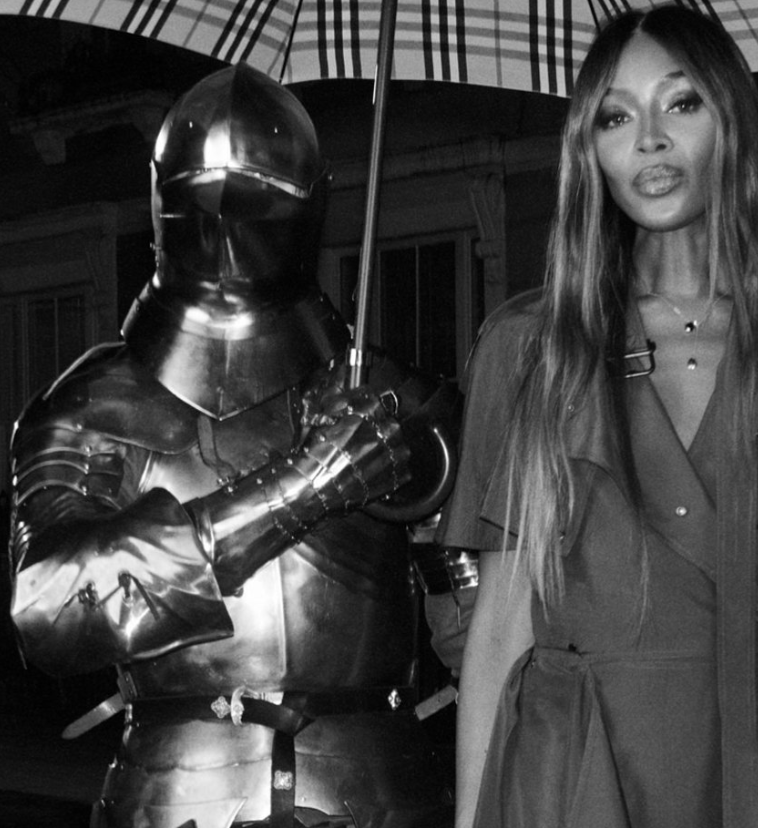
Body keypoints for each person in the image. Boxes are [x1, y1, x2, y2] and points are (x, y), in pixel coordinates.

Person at [438, 6, 758, 828]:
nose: (648, 139)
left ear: (730, 123)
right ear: (588, 152)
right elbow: (499, 625)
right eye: (613, 117)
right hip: (566, 780)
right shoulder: (527, 348)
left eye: (680, 103)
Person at [9, 64, 456, 828]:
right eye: (203, 195)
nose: (224, 221)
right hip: (177, 788)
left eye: (256, 196)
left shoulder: (387, 399)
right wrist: (303, 486)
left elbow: (480, 612)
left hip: (377, 788)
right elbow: (50, 612)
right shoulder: (94, 402)